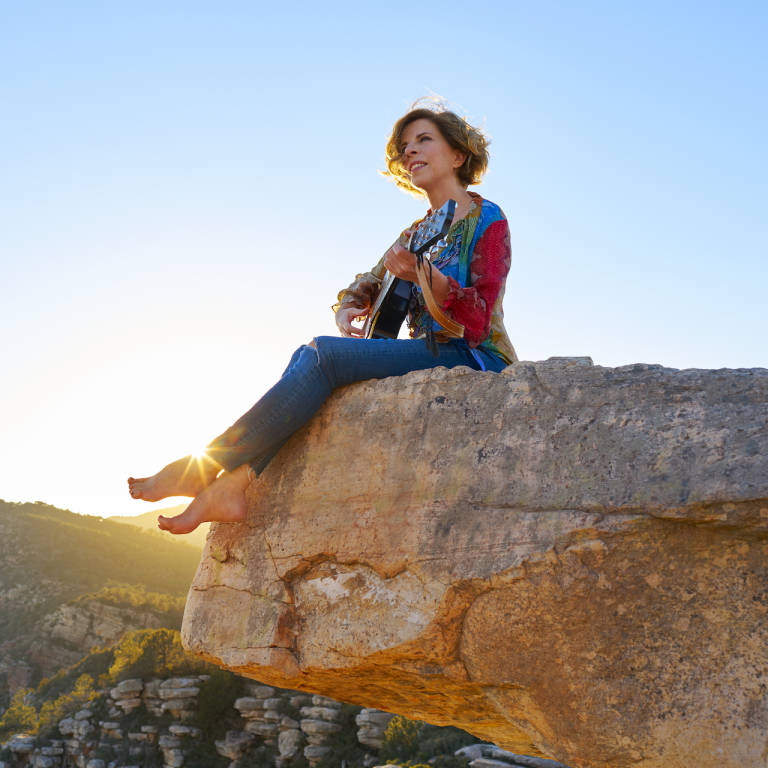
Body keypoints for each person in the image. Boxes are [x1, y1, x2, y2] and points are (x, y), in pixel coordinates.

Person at [127, 104, 518, 534]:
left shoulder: (487, 219)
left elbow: (478, 319)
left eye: (424, 140)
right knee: (307, 354)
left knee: (322, 357)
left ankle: (205, 467)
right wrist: (351, 305)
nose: (410, 152)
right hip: (425, 350)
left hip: (473, 355)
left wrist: (424, 276)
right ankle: (234, 484)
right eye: (405, 147)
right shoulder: (414, 233)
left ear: (459, 155)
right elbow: (367, 281)